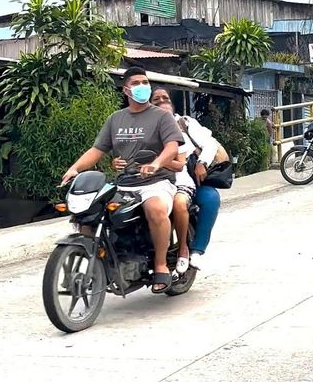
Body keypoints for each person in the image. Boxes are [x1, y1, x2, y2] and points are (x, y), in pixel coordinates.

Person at [61, 67, 183, 294]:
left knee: (155, 209)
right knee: (89, 214)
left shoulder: (162, 116)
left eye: (145, 82)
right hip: (123, 184)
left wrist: (157, 163)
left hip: (156, 182)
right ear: (126, 90)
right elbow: (97, 150)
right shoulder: (115, 119)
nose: (142, 87)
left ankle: (160, 265)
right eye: (136, 83)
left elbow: (172, 147)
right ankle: (100, 262)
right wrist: (74, 168)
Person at [149, 88, 221, 270]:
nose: (162, 101)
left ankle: (193, 250)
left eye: (165, 98)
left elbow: (209, 144)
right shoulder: (144, 127)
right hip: (152, 182)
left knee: (209, 198)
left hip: (185, 179)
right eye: (156, 99)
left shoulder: (184, 123)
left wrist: (202, 162)